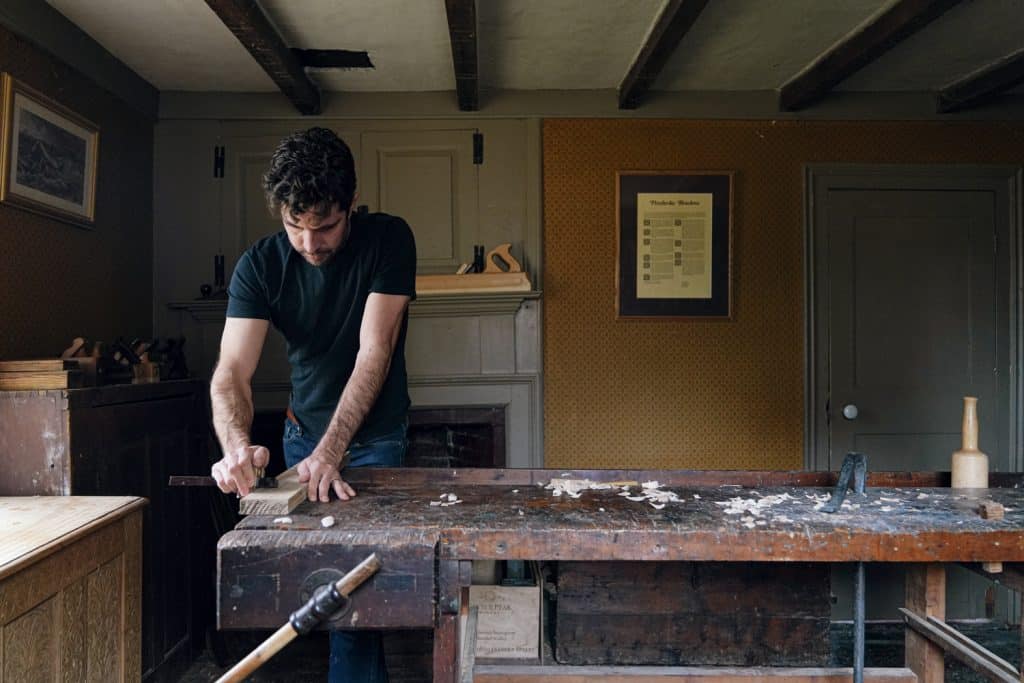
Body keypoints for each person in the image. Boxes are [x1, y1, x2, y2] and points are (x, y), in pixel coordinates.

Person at [209, 126, 416, 682]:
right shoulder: (260, 265)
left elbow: (373, 353)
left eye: (323, 226)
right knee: (313, 585)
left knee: (356, 598)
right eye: (293, 226)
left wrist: (332, 452)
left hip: (374, 440)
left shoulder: (389, 239)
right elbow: (231, 372)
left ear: (350, 205)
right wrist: (234, 447)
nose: (308, 243)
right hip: (302, 439)